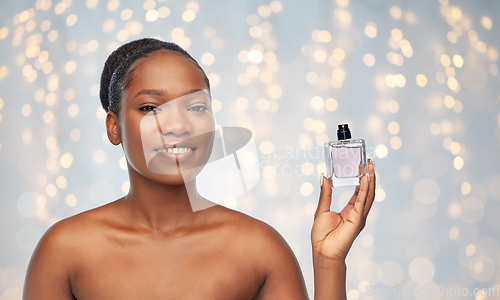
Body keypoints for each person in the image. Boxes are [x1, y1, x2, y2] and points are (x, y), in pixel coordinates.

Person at [22, 38, 376, 299]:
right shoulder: (65, 250)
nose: (178, 125)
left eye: (195, 107)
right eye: (150, 107)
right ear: (113, 127)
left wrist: (329, 262)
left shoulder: (259, 249)